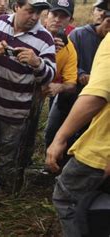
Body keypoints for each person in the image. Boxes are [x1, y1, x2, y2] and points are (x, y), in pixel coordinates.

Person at [0, 0, 56, 195]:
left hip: (16, 113)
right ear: (17, 7)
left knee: (6, 157)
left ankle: (0, 194)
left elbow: (50, 74)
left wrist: (37, 63)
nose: (34, 17)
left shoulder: (45, 38)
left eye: (39, 12)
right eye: (30, 11)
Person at [46, 29, 110, 237]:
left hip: (101, 149)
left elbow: (96, 96)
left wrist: (60, 138)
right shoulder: (82, 35)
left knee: (66, 198)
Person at [42, 0, 77, 165]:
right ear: (46, 16)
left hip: (43, 94)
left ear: (70, 21)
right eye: (54, 14)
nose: (57, 19)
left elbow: (71, 83)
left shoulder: (70, 50)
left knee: (36, 130)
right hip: (15, 91)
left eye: (63, 16)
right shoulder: (31, 33)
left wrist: (59, 86)